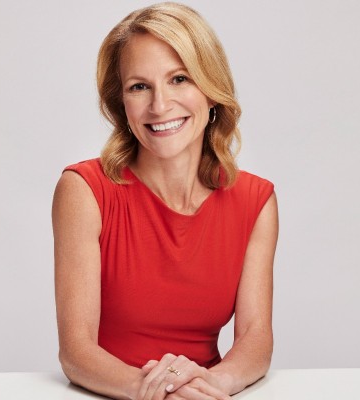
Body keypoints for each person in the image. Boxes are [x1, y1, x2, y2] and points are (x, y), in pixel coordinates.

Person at [52, 2, 278, 399]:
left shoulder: (255, 201)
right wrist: (159, 391)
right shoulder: (84, 190)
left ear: (211, 91)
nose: (160, 106)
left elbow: (255, 339)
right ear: (122, 104)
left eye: (179, 79)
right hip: (112, 393)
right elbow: (76, 352)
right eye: (139, 87)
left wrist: (214, 384)